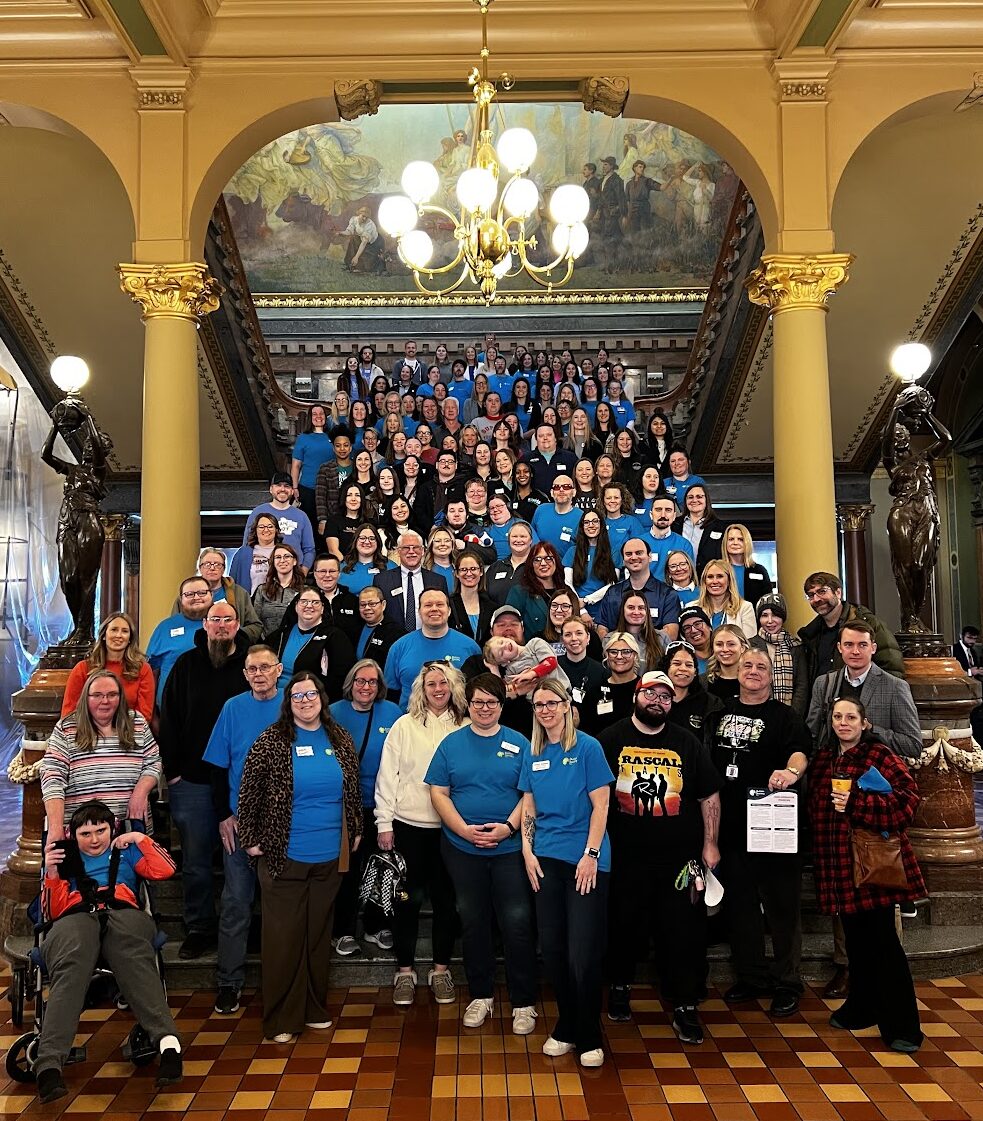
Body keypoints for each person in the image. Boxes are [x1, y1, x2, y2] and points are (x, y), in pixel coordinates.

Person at [237, 672, 363, 1041]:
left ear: (322, 699)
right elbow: (249, 790)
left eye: (311, 694)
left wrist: (354, 829)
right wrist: (250, 838)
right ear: (287, 702)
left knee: (317, 935)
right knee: (283, 938)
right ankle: (282, 1018)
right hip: (284, 856)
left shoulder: (339, 738)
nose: (305, 701)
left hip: (329, 858)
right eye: (297, 696)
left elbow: (352, 788)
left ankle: (313, 1007)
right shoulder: (272, 741)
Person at [599, 671, 721, 1041]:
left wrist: (710, 844)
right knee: (622, 926)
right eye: (650, 693)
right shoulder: (611, 738)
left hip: (678, 860)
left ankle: (684, 1006)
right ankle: (619, 988)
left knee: (682, 932)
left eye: (666, 697)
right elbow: (595, 794)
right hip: (624, 855)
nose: (658, 701)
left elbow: (709, 795)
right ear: (636, 695)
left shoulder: (687, 741)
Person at [34, 802, 182, 1103]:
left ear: (112, 829)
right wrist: (51, 871)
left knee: (133, 953)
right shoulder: (64, 858)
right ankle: (49, 1064)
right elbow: (50, 913)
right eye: (85, 833)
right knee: (72, 961)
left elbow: (166, 870)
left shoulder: (125, 851)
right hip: (74, 918)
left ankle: (168, 1044)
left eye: (100, 830)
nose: (94, 839)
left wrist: (141, 839)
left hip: (123, 913)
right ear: (73, 836)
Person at [808, 697, 925, 1052]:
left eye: (850, 717)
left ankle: (903, 1025)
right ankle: (862, 1006)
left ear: (864, 723)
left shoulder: (880, 756)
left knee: (883, 945)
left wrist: (857, 802)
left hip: (872, 864)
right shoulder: (825, 758)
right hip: (838, 865)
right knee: (857, 943)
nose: (843, 722)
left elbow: (908, 802)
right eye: (838, 716)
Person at [425, 674, 538, 1034]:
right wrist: (463, 830)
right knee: (473, 921)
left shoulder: (520, 743)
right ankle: (481, 995)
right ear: (468, 705)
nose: (485, 709)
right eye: (478, 702)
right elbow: (439, 793)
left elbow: (529, 795)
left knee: (517, 922)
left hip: (509, 846)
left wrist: (509, 826)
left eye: (492, 703)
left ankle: (523, 1002)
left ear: (502, 706)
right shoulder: (451, 745)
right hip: (462, 847)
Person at [709, 648, 812, 1018]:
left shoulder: (785, 716)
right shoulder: (717, 714)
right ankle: (751, 976)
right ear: (736, 671)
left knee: (783, 909)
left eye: (761, 667)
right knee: (741, 908)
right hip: (731, 829)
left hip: (775, 830)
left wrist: (791, 773)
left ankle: (788, 982)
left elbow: (801, 752)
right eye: (748, 665)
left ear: (771, 676)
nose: (754, 671)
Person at [520, 681, 613, 1068]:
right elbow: (528, 804)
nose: (545, 710)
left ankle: (590, 1033)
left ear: (565, 705)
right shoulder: (534, 751)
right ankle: (567, 1025)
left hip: (585, 862)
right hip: (545, 860)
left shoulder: (588, 747)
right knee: (554, 949)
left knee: (582, 952)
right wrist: (526, 851)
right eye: (539, 704)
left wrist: (590, 854)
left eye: (551, 703)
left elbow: (602, 804)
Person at [159, 600, 250, 959]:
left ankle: (238, 925)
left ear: (238, 623)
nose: (222, 625)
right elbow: (169, 718)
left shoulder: (250, 665)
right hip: (193, 780)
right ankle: (199, 927)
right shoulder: (185, 665)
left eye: (228, 619)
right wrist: (174, 772)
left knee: (238, 859)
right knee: (196, 860)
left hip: (240, 782)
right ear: (206, 625)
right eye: (216, 619)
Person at [375, 661, 467, 1006]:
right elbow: (388, 776)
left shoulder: (465, 725)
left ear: (453, 687)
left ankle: (440, 970)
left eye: (444, 683)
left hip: (451, 830)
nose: (438, 689)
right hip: (408, 827)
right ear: (421, 688)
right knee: (406, 902)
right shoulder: (404, 726)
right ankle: (404, 972)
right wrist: (384, 823)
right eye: (431, 684)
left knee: (447, 902)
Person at [202, 644, 284, 1014]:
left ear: (279, 670)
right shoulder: (232, 708)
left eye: (266, 667)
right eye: (253, 669)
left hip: (286, 824)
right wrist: (224, 814)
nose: (259, 674)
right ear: (245, 673)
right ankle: (229, 981)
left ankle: (280, 982)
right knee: (236, 903)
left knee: (280, 907)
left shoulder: (295, 704)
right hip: (240, 822)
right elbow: (218, 767)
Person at [329, 659, 402, 957]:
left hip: (383, 806)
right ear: (351, 683)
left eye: (372, 681)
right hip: (345, 807)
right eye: (361, 680)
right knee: (346, 871)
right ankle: (342, 931)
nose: (366, 687)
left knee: (381, 868)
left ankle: (376, 926)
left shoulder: (393, 713)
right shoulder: (333, 712)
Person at [42, 669, 161, 839]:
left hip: (129, 828)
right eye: (97, 695)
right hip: (83, 832)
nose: (105, 701)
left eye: (112, 694)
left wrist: (141, 791)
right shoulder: (66, 728)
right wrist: (55, 828)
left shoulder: (137, 722)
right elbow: (52, 777)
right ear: (86, 697)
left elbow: (153, 762)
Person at [798, 572, 905, 689]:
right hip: (825, 702)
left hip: (861, 701)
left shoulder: (867, 623)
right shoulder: (811, 634)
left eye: (822, 592)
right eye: (811, 595)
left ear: (838, 593)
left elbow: (891, 667)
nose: (816, 599)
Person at [385, 588, 482, 708]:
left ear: (449, 610)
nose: (434, 608)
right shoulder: (399, 648)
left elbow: (479, 693)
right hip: (411, 721)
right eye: (428, 605)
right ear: (419, 612)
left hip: (458, 722)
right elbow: (391, 694)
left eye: (440, 604)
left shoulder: (470, 647)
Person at [60, 611, 154, 722]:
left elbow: (144, 716)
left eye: (124, 631)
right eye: (114, 630)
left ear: (130, 639)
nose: (119, 635)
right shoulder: (83, 669)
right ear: (104, 635)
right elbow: (69, 713)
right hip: (88, 734)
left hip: (129, 734)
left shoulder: (143, 669)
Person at [269, 586, 356, 699]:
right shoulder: (280, 635)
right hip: (276, 696)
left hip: (312, 700)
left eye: (315, 602)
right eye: (304, 602)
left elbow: (341, 679)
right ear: (296, 606)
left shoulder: (335, 637)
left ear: (322, 608)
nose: (309, 606)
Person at [594, 538, 681, 640]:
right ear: (623, 560)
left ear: (650, 556)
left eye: (639, 553)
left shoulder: (667, 594)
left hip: (653, 654)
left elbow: (671, 633)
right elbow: (601, 629)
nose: (634, 557)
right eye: (628, 554)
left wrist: (638, 646)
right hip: (618, 654)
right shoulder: (612, 593)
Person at [146, 576, 213, 705]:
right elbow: (151, 673)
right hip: (170, 710)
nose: (196, 597)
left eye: (202, 593)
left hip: (213, 709)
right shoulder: (165, 627)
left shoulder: (223, 625)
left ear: (211, 595)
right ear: (181, 599)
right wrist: (152, 714)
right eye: (189, 594)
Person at [373, 531, 448, 632]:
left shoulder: (438, 581)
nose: (411, 552)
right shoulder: (381, 580)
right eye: (406, 548)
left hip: (429, 640)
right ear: (398, 551)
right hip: (392, 641)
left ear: (422, 551)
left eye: (416, 547)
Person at [243, 472, 316, 572]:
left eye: (287, 486)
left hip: (294, 573)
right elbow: (247, 545)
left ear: (292, 491)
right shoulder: (258, 512)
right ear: (271, 489)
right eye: (278, 485)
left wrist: (303, 572)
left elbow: (309, 549)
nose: (282, 489)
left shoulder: (301, 516)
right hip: (262, 571)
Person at [190, 549, 264, 643]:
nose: (212, 568)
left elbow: (256, 626)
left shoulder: (240, 593)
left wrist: (234, 634)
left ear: (224, 569)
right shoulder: (188, 595)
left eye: (217, 564)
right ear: (200, 568)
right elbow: (177, 624)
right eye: (207, 564)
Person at [756, 592, 809, 715]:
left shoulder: (795, 646)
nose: (770, 621)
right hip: (758, 712)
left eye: (775, 615)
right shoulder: (750, 645)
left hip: (789, 715)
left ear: (783, 617)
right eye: (764, 615)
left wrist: (793, 716)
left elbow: (801, 686)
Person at [505, 541, 573, 638]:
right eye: (537, 559)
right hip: (532, 649)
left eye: (548, 558)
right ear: (531, 564)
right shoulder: (519, 592)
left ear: (556, 561)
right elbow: (511, 626)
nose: (543, 563)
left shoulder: (566, 589)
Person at [581, 632, 642, 736]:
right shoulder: (594, 693)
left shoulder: (644, 689)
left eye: (626, 652)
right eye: (613, 652)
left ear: (635, 655)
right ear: (607, 655)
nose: (619, 656)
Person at [662, 640, 724, 739]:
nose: (683, 668)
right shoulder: (652, 701)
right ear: (666, 668)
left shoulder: (710, 704)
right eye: (677, 663)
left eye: (689, 665)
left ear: (695, 672)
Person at [290, 405, 334, 530]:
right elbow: (296, 465)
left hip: (329, 489)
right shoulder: (303, 438)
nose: (318, 416)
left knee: (327, 526)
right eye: (315, 414)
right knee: (308, 526)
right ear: (310, 418)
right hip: (308, 489)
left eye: (321, 413)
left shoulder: (332, 436)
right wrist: (294, 487)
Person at [672, 484, 729, 576]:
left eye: (699, 497)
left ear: (706, 500)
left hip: (708, 579)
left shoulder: (720, 527)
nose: (694, 500)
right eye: (690, 497)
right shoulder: (674, 524)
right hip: (678, 577)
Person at [251, 543, 304, 638]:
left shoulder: (304, 591)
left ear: (295, 561)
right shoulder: (262, 590)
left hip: (293, 642)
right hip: (265, 644)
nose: (282, 560)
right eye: (278, 557)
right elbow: (255, 621)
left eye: (287, 556)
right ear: (273, 562)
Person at [563, 508, 617, 602]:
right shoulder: (572, 552)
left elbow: (612, 584)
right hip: (577, 607)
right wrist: (580, 606)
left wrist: (587, 600)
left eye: (595, 521)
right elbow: (567, 583)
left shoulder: (613, 551)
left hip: (604, 607)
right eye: (586, 522)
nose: (591, 525)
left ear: (601, 525)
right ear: (582, 526)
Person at [696, 559, 756, 638]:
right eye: (710, 577)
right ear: (704, 581)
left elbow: (750, 642)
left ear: (729, 580)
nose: (714, 581)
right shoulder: (693, 608)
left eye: (720, 576)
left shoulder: (745, 607)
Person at [311, 552, 361, 644]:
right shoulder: (303, 600)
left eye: (332, 571)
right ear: (314, 574)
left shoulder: (353, 601)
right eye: (322, 571)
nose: (327, 575)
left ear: (339, 573)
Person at [448, 548, 496, 644]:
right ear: (457, 573)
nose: (469, 573)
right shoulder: (448, 605)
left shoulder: (492, 607)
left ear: (481, 572)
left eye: (473, 569)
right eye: (463, 569)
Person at [722, 524, 774, 608]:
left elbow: (767, 601)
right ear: (725, 543)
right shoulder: (718, 569)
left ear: (747, 542)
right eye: (731, 539)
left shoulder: (759, 570)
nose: (735, 543)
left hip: (752, 618)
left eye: (740, 539)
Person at [644, 496, 693, 583]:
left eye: (668, 510)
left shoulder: (684, 545)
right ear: (651, 514)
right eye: (658, 510)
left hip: (674, 594)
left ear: (674, 516)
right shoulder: (639, 543)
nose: (663, 515)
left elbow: (689, 577)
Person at [230, 512, 281, 594]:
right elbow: (231, 583)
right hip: (250, 604)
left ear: (276, 530)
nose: (266, 529)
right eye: (261, 527)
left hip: (278, 604)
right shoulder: (243, 553)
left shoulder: (285, 552)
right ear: (255, 530)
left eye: (270, 526)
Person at [613, 591, 664, 674]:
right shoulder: (610, 639)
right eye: (631, 607)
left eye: (641, 608)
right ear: (623, 610)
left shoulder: (661, 638)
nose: (636, 612)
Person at [354, 584, 405, 665]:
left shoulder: (396, 633)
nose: (367, 608)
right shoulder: (354, 627)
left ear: (383, 605)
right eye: (363, 605)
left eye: (372, 604)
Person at [531, 475, 583, 553]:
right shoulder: (541, 510)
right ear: (552, 493)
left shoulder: (581, 516)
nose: (561, 490)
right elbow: (531, 537)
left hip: (568, 565)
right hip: (541, 563)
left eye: (566, 487)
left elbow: (582, 549)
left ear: (574, 492)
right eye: (556, 487)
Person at [526, 424, 578, 494]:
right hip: (534, 502)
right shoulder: (526, 459)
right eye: (541, 436)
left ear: (555, 438)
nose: (545, 438)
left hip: (564, 501)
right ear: (536, 439)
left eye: (549, 435)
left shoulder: (570, 457)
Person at [704, 623, 750, 701]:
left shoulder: (754, 679)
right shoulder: (703, 682)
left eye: (731, 644)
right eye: (719, 644)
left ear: (742, 648)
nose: (725, 649)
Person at [678, 605, 714, 671]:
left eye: (697, 624)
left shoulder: (724, 653)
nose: (693, 630)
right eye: (687, 628)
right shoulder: (682, 661)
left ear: (709, 627)